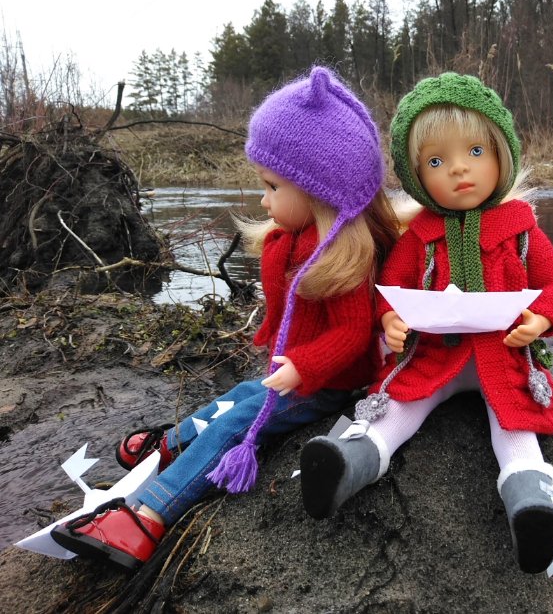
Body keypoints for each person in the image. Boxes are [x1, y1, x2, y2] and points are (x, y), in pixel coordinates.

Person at [50, 66, 398, 571]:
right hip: (292, 377)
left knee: (238, 422)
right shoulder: (294, 243)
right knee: (237, 396)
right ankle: (169, 445)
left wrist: (303, 366)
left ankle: (148, 516)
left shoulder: (342, 258)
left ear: (318, 190)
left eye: (272, 186)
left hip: (326, 386)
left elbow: (349, 335)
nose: (263, 199)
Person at [298, 72, 553, 576]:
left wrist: (539, 319)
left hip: (504, 355)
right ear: (416, 175)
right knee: (405, 399)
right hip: (436, 354)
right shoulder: (421, 236)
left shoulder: (520, 229)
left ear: (501, 154)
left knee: (511, 417)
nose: (458, 171)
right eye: (435, 161)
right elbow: (394, 288)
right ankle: (351, 463)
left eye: (475, 151)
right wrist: (391, 322)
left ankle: (531, 501)